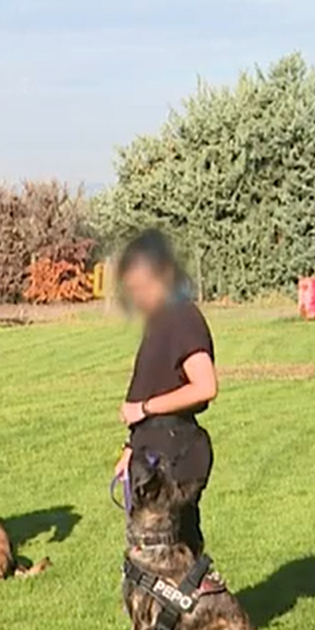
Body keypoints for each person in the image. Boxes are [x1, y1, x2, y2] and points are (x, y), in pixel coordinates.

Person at [114, 231, 219, 549]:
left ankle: (191, 598)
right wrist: (131, 449)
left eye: (142, 287)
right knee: (153, 551)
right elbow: (157, 382)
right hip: (152, 450)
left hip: (175, 454)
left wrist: (143, 408)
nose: (137, 297)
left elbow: (205, 386)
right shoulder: (161, 321)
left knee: (166, 550)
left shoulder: (183, 318)